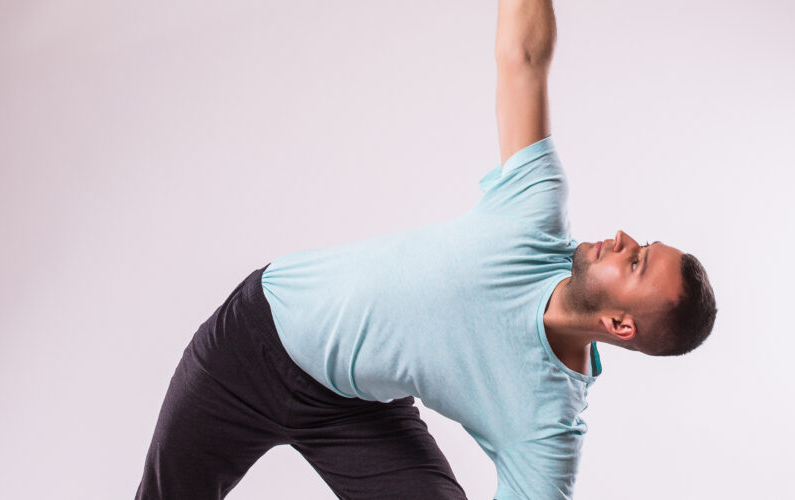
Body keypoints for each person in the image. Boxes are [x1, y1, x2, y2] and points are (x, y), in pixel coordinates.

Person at [135, 1, 717, 499]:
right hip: (251, 340)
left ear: (619, 323)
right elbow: (523, 59)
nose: (620, 239)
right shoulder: (534, 216)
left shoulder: (547, 426)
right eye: (639, 243)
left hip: (353, 413)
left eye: (634, 261)